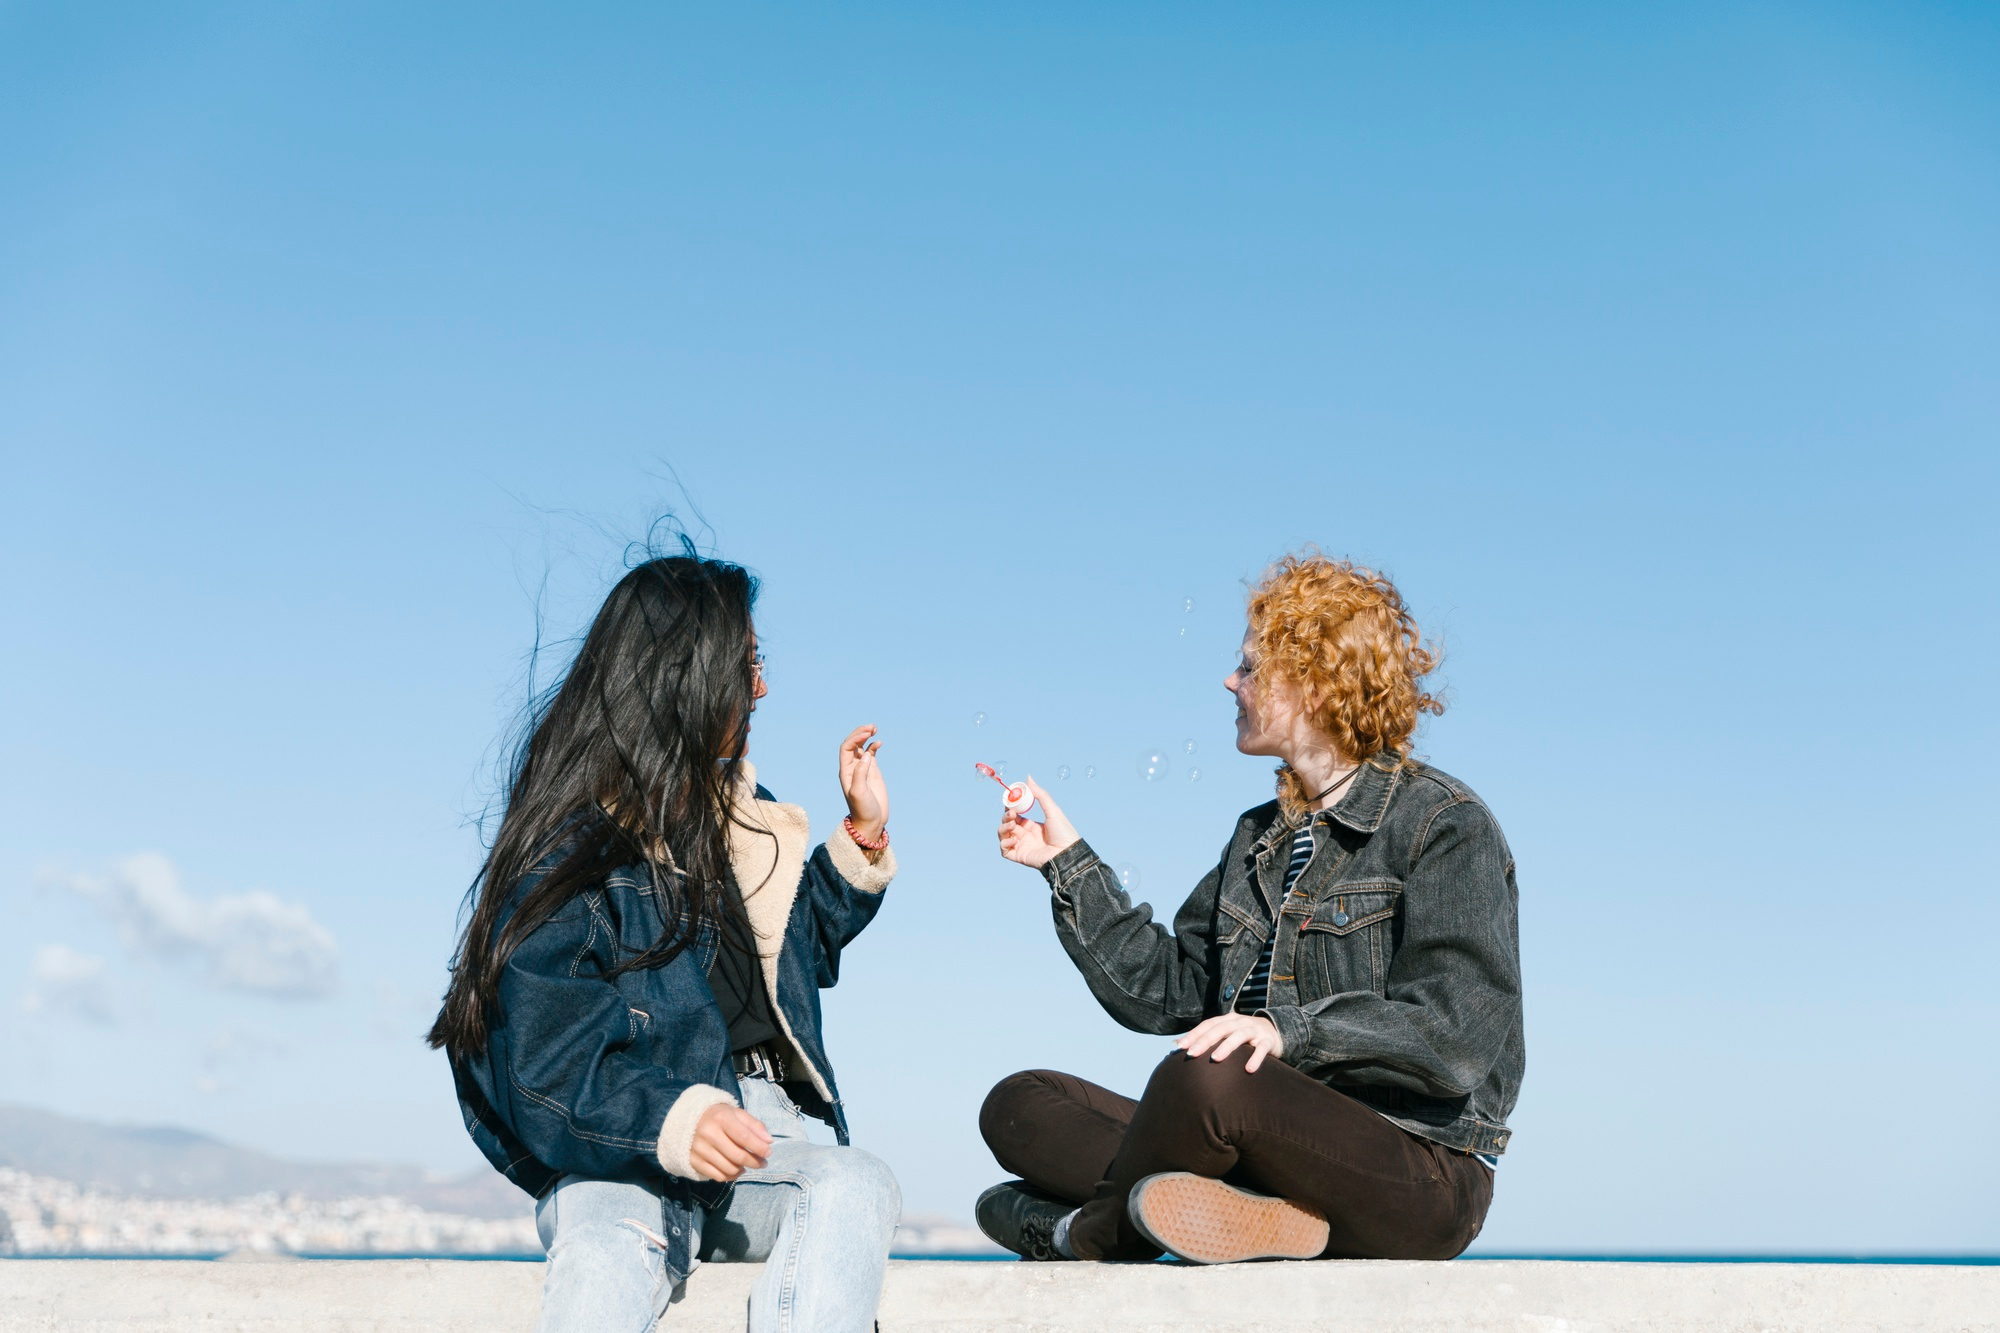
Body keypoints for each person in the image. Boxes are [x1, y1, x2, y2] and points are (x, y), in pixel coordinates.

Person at [975, 553, 1522, 1264]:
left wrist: (1285, 1031)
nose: (1231, 681)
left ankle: (1088, 1232)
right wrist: (1065, 862)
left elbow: (1456, 1036)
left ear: (1318, 682)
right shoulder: (1260, 837)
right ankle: (1251, 1214)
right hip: (1261, 1143)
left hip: (1419, 1172)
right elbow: (1168, 991)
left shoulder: (1443, 822)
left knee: (1210, 1075)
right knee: (1021, 1103)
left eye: (1252, 667)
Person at [427, 551, 902, 1333]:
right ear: (685, 672)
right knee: (606, 1242)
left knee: (855, 1182)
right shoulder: (573, 847)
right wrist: (672, 1119)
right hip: (622, 1137)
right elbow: (546, 1057)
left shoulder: (750, 819)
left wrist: (862, 835)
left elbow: (789, 964)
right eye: (748, 661)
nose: (762, 686)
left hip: (763, 1131)